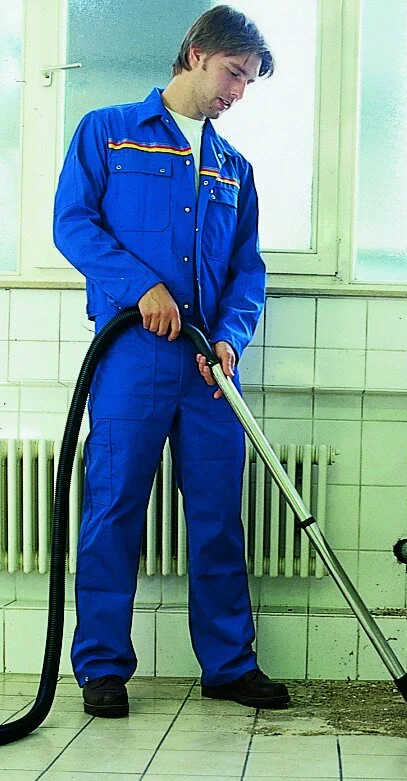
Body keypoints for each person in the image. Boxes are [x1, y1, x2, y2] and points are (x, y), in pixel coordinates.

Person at [53, 6, 290, 717]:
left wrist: (231, 337)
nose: (238, 93)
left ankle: (229, 665)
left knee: (218, 514)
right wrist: (140, 287)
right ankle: (102, 667)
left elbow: (248, 270)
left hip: (209, 368)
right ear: (195, 54)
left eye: (248, 82)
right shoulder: (108, 131)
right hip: (132, 355)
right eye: (233, 74)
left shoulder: (233, 168)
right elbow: (73, 223)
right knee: (114, 506)